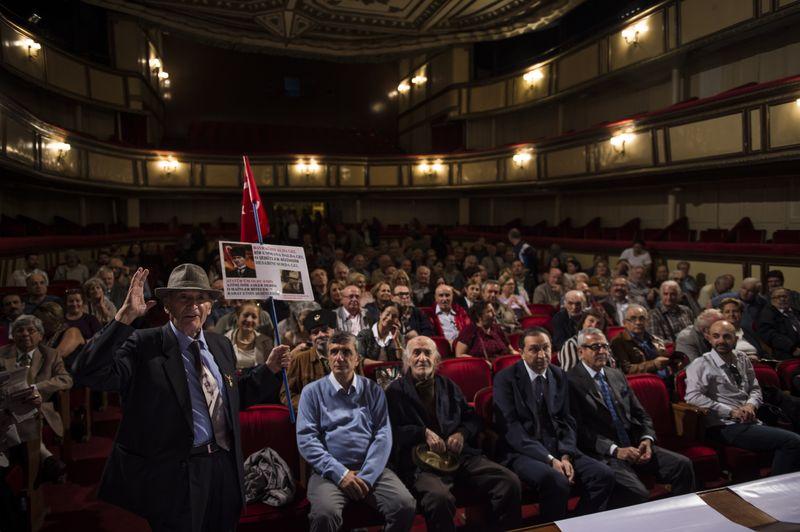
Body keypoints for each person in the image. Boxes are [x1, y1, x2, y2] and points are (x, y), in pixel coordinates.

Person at [72, 265, 292, 531]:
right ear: (167, 305)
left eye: (200, 298)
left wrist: (268, 370)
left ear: (210, 306)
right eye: (183, 298)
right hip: (174, 476)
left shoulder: (220, 344)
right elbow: (87, 372)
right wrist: (123, 319)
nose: (193, 305)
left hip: (224, 469)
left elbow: (234, 395)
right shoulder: (143, 344)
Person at [386, 335, 521, 531]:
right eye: (416, 353)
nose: (422, 358)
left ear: (437, 360)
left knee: (509, 481)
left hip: (460, 455)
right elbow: (391, 432)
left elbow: (472, 419)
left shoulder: (448, 385)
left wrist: (462, 434)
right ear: (407, 360)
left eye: (427, 353)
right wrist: (421, 433)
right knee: (439, 499)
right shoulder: (394, 391)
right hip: (421, 464)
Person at [296, 331, 416, 532]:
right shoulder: (312, 392)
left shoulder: (373, 389)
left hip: (370, 469)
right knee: (325, 515)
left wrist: (367, 476)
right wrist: (340, 474)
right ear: (327, 358)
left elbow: (383, 435)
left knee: (404, 505)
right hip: (328, 472)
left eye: (346, 352)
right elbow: (307, 440)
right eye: (334, 352)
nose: (339, 358)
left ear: (357, 358)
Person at [493, 328, 615, 521]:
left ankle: (578, 524)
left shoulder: (558, 375)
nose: (542, 355)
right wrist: (550, 459)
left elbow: (567, 420)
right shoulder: (505, 379)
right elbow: (512, 429)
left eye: (546, 348)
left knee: (603, 475)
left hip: (558, 447)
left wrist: (566, 454)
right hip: (522, 451)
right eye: (534, 349)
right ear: (521, 352)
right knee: (556, 480)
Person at [568, 328, 694, 507]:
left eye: (605, 346)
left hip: (635, 444)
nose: (602, 351)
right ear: (581, 351)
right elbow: (579, 430)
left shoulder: (615, 374)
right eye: (595, 347)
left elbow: (640, 413)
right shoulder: (570, 381)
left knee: (682, 465)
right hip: (605, 453)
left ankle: (682, 519)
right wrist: (615, 450)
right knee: (637, 493)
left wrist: (646, 440)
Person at [685, 320, 800, 475]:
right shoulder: (701, 364)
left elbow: (755, 388)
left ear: (735, 339)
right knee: (792, 441)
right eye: (716, 336)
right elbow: (692, 396)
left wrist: (750, 405)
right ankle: (776, 487)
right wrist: (730, 412)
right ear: (709, 339)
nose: (721, 341)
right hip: (725, 426)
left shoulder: (742, 358)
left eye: (727, 337)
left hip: (751, 419)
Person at [0, 314, 73, 485]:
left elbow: (66, 380)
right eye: (19, 330)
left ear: (40, 335)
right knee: (10, 416)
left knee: (23, 417)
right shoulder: (2, 353)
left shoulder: (50, 354)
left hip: (39, 407)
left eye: (31, 330)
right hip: (5, 406)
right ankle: (46, 458)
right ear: (13, 335)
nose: (25, 334)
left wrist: (36, 388)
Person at [282, 309, 340, 409]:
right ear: (310, 338)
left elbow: (360, 389)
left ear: (335, 332)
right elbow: (286, 394)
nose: (320, 335)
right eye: (315, 333)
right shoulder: (299, 360)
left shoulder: (348, 356)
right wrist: (310, 402)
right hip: (314, 419)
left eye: (325, 330)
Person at [611, 305, 670, 376]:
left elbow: (666, 359)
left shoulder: (655, 339)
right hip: (645, 382)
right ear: (624, 323)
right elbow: (626, 369)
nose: (638, 322)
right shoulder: (618, 342)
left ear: (647, 321)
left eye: (642, 318)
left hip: (667, 379)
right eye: (633, 319)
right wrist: (653, 364)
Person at [224, 301, 276, 369]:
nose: (249, 320)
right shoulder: (225, 340)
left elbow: (269, 369)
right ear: (237, 317)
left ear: (258, 321)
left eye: (254, 317)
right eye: (245, 315)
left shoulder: (266, 342)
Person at [757, 287, 800, 359]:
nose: (782, 299)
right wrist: (792, 348)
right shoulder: (767, 314)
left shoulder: (796, 312)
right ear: (772, 300)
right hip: (787, 352)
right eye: (778, 297)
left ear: (790, 298)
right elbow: (770, 335)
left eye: (785, 296)